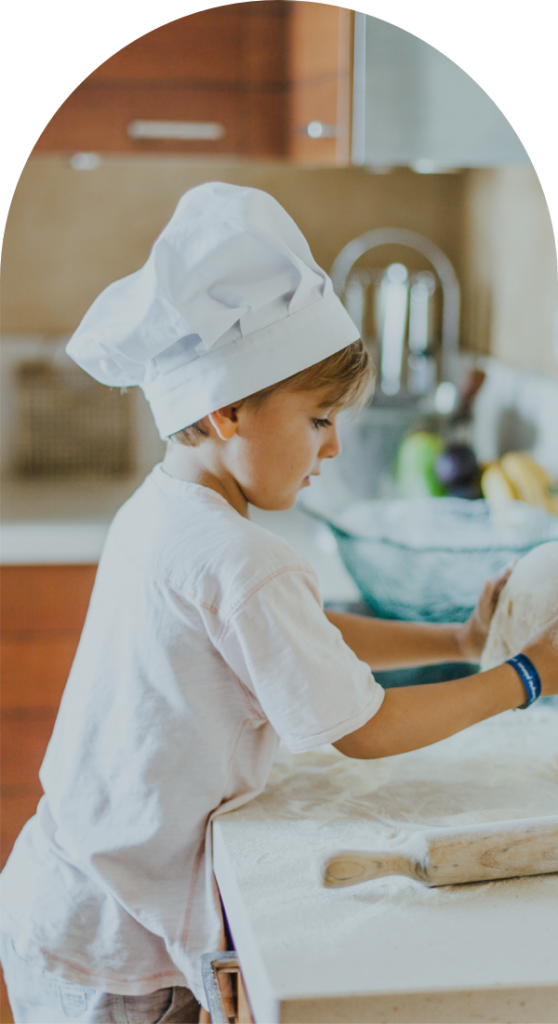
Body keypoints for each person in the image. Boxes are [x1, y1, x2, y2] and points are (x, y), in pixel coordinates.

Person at [0, 182, 556, 1024]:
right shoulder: (242, 557)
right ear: (226, 412)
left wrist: (458, 634)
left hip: (67, 892)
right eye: (320, 418)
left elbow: (304, 634)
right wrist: (525, 674)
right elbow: (364, 728)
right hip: (124, 948)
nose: (334, 444)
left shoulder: (166, 508)